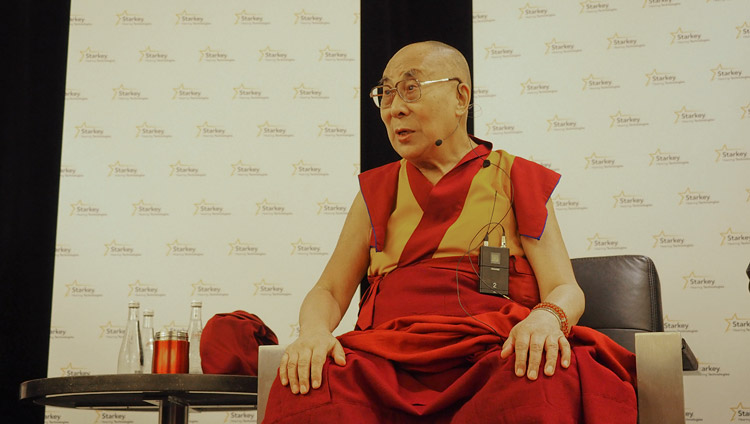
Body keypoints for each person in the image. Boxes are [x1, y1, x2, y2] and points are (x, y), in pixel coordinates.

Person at [263, 41, 637, 423]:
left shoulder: (515, 179)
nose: (395, 108)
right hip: (388, 361)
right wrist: (313, 332)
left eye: (411, 88)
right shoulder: (377, 192)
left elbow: (564, 287)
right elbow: (328, 290)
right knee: (309, 385)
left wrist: (544, 319)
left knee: (539, 377)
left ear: (461, 98)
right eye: (386, 94)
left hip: (492, 353)